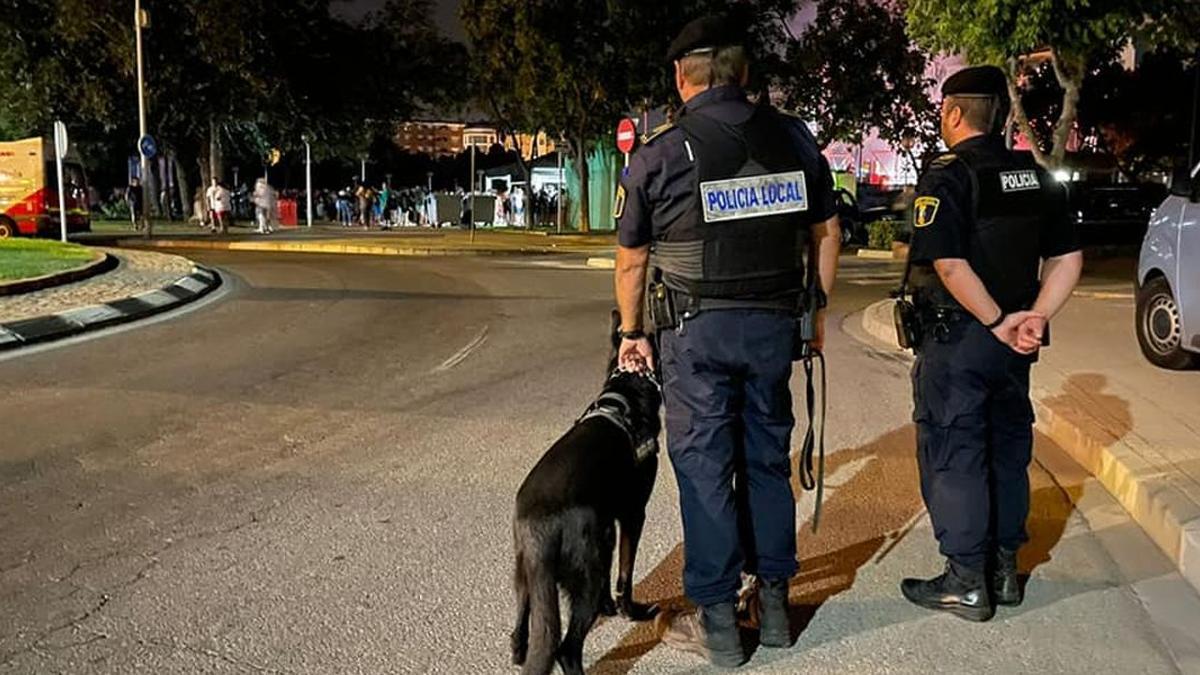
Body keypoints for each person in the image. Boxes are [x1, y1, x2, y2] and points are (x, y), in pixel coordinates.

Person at [613, 15, 841, 668]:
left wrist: (632, 333)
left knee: (707, 466)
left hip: (696, 333)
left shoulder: (661, 152)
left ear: (682, 78)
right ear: (743, 73)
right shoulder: (793, 138)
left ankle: (716, 619)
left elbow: (631, 261)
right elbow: (827, 233)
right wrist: (815, 313)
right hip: (774, 328)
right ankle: (772, 608)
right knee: (766, 458)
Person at [899, 65, 1083, 621]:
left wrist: (999, 318)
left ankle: (965, 580)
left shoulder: (950, 175)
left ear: (955, 114)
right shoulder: (1034, 174)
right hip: (1015, 347)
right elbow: (1069, 258)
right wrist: (1034, 319)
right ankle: (1004, 572)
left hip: (963, 338)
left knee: (955, 451)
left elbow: (950, 265)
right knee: (1006, 448)